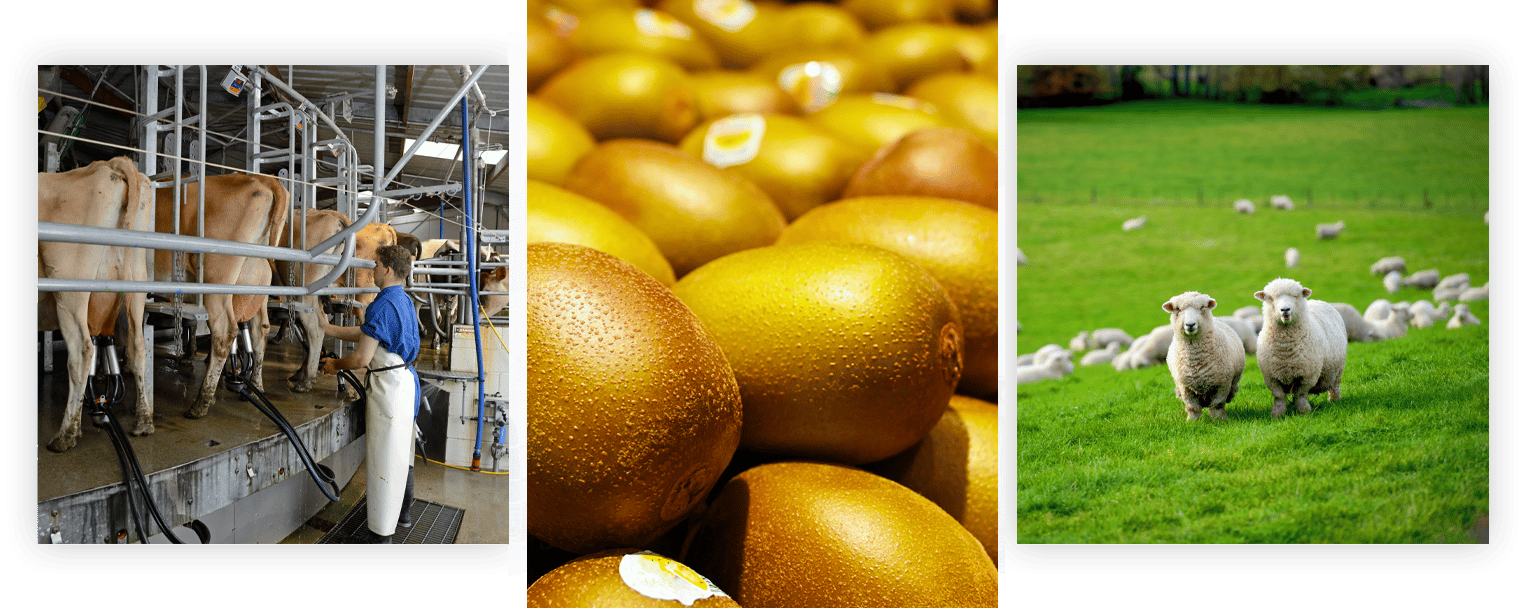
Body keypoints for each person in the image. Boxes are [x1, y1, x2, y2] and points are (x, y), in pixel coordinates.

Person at [320, 244, 420, 544]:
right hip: (404, 384)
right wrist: (331, 329)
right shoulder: (402, 300)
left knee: (384, 459)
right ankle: (404, 514)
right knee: (403, 453)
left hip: (387, 392)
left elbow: (363, 358)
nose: (371, 270)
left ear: (387, 269)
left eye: (375, 265)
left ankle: (380, 536)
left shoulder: (380, 305)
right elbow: (372, 335)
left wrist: (335, 365)